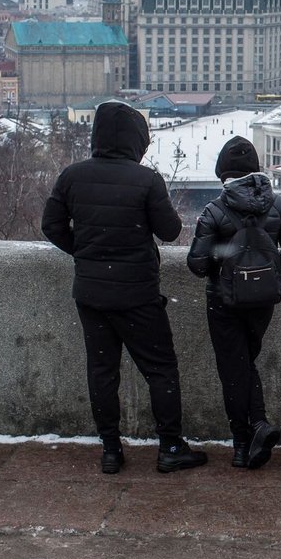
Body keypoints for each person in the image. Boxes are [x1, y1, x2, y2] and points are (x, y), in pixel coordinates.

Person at [41, 101, 207, 475]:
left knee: (102, 371)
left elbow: (51, 226)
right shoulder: (146, 180)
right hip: (137, 295)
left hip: (91, 294)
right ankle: (170, 446)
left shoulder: (72, 176)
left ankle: (111, 450)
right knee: (160, 369)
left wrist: (85, 253)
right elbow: (169, 231)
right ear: (137, 141)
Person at [187, 136, 281, 469]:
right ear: (256, 170)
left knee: (233, 370)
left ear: (223, 173)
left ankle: (243, 443)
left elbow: (196, 265)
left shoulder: (214, 210)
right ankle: (258, 426)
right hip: (262, 302)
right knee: (245, 364)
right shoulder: (280, 205)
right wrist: (264, 272)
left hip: (223, 302)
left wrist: (228, 272)